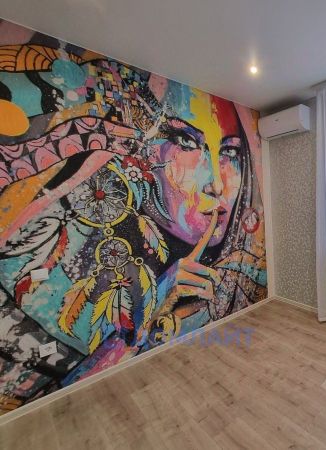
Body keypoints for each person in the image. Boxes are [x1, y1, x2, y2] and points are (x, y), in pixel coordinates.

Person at [0, 29, 266, 412]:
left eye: (229, 153)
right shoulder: (47, 261)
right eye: (187, 143)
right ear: (144, 154)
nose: (217, 182)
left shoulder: (239, 267)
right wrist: (160, 296)